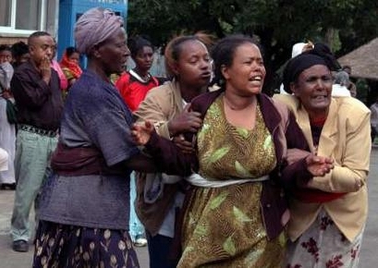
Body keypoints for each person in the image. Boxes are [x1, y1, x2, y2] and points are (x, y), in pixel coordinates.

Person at [132, 34, 333, 267]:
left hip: (261, 234)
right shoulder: (202, 107)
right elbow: (182, 163)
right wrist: (154, 142)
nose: (258, 68)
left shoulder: (276, 112)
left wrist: (306, 167)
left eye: (260, 62)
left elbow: (287, 171)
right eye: (248, 63)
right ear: (226, 71)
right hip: (206, 231)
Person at [32, 7, 159, 267]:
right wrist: (177, 160)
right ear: (98, 50)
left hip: (80, 213)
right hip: (85, 217)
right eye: (120, 45)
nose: (126, 52)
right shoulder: (94, 93)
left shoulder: (101, 86)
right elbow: (123, 155)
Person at [274, 42, 370, 267]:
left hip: (344, 218)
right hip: (298, 216)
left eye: (325, 79)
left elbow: (355, 178)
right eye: (310, 80)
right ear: (294, 88)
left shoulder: (354, 113)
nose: (320, 86)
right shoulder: (282, 109)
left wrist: (304, 166)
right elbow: (274, 168)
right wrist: (325, 169)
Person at [133, 34, 212, 268]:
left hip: (210, 203)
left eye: (206, 59)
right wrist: (172, 127)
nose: (204, 65)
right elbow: (141, 134)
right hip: (164, 204)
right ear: (176, 67)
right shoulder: (159, 96)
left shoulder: (223, 97)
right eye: (194, 60)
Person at [10, 31, 64, 252]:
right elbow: (32, 101)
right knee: (28, 189)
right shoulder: (21, 75)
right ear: (32, 50)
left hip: (53, 138)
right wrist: (43, 78)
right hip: (32, 137)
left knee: (49, 190)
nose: (49, 52)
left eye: (52, 47)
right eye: (44, 47)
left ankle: (43, 232)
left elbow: (57, 103)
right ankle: (19, 234)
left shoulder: (52, 73)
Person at [115, 36, 160, 248]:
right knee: (133, 184)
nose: (148, 59)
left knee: (147, 185)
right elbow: (117, 109)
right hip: (130, 138)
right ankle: (133, 229)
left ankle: (142, 225)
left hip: (151, 140)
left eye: (150, 55)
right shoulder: (125, 80)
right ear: (134, 57)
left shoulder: (154, 82)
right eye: (143, 56)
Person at [0, 45, 16, 190]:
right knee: (3, 143)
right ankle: (4, 178)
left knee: (8, 142)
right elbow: (7, 85)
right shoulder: (4, 70)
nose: (5, 60)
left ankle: (8, 178)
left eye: (7, 57)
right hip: (1, 107)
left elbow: (10, 87)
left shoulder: (10, 69)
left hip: (6, 108)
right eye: (2, 57)